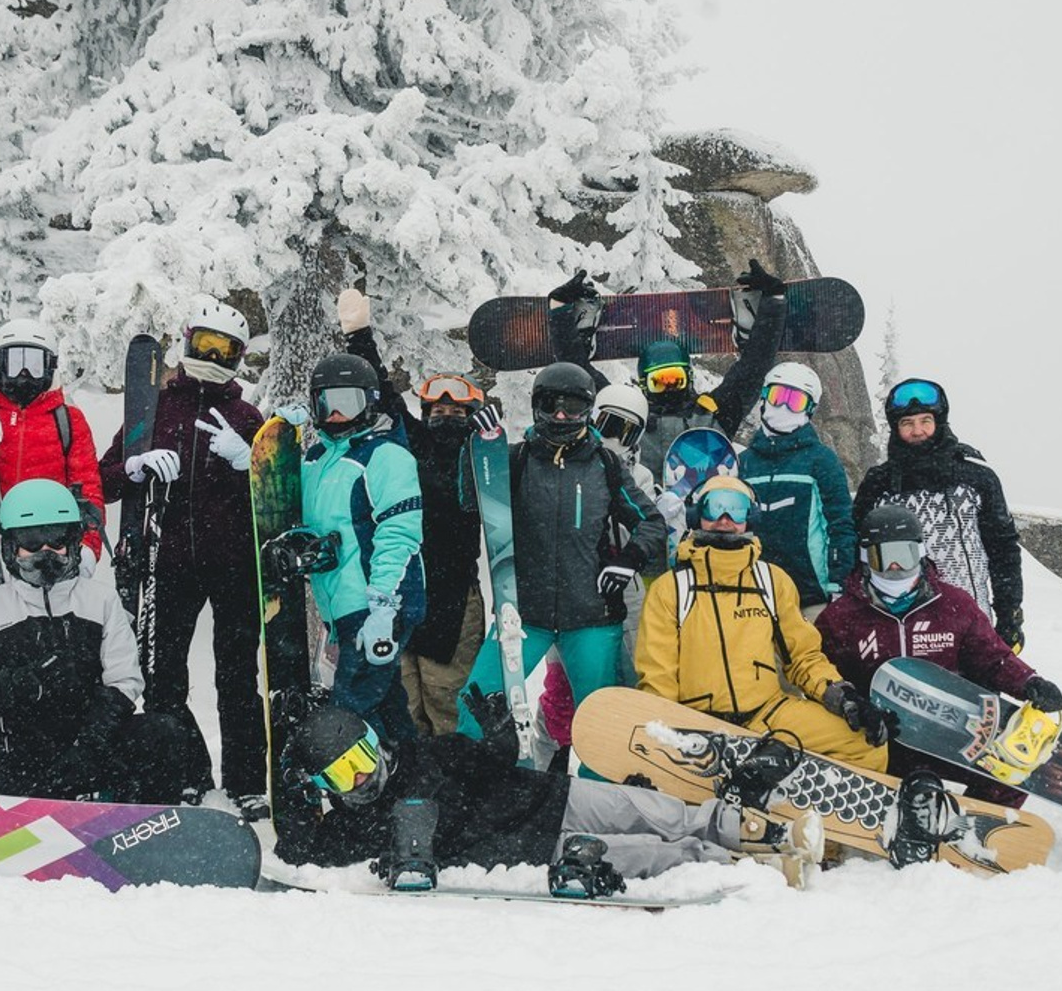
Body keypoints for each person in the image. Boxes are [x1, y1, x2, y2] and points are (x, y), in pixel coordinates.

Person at [272, 685, 821, 889]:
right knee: (647, 854)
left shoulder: (426, 753)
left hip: (547, 797)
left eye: (362, 759)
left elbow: (489, 762)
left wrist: (499, 735)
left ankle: (752, 828)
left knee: (647, 809)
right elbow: (299, 852)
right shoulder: (354, 825)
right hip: (532, 847)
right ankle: (754, 867)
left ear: (376, 742)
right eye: (344, 775)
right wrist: (289, 780)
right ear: (327, 786)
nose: (363, 777)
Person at [98, 303, 267, 818]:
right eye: (205, 346)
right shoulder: (155, 407)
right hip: (168, 563)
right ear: (187, 343)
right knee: (163, 675)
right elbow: (102, 479)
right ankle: (185, 772)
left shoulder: (245, 416)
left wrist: (247, 462)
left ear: (239, 359)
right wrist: (134, 464)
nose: (212, 359)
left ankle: (246, 782)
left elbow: (274, 496)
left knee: (236, 677)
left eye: (225, 351)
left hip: (234, 564)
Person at [454, 362, 666, 760]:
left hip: (590, 617)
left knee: (601, 724)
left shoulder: (605, 465)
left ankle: (597, 809)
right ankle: (489, 791)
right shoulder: (516, 461)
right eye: (550, 405)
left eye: (573, 407)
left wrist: (629, 560)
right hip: (524, 615)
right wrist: (475, 451)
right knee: (477, 704)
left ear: (589, 411)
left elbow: (651, 523)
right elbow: (471, 502)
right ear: (536, 408)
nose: (561, 416)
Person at [0, 479, 192, 800]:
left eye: (56, 541)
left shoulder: (101, 601)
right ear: (12, 548)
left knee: (162, 732)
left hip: (91, 745)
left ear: (74, 543)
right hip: (26, 757)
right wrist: (20, 684)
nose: (46, 554)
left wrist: (89, 746)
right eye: (31, 542)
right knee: (40, 799)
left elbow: (125, 680)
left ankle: (146, 824)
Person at [0, 317, 106, 783]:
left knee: (36, 675)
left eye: (35, 364)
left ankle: (24, 765)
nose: (24, 376)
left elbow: (88, 492)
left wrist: (85, 553)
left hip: (41, 568)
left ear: (51, 367)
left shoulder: (67, 420)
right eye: (14, 362)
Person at [635, 475, 891, 773]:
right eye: (714, 508)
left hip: (766, 715)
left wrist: (839, 694)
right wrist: (669, 732)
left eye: (737, 509)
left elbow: (803, 657)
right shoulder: (671, 589)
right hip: (698, 722)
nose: (725, 519)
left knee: (864, 741)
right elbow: (658, 676)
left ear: (751, 517)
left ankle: (804, 802)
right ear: (696, 515)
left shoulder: (772, 581)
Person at [816, 504, 1062, 804]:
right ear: (867, 559)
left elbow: (991, 656)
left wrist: (1027, 681)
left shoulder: (952, 605)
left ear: (920, 552)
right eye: (886, 558)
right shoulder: (842, 617)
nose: (896, 568)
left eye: (904, 556)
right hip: (881, 737)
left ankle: (975, 829)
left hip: (948, 733)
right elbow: (823, 675)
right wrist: (855, 706)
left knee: (1013, 769)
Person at [337, 288, 484, 739]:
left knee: (447, 701)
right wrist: (359, 337)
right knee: (403, 703)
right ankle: (412, 792)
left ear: (470, 413)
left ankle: (458, 793)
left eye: (454, 408)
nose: (444, 414)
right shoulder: (410, 445)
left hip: (456, 597)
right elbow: (383, 394)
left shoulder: (482, 459)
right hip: (403, 588)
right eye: (436, 407)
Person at [546, 259, 788, 498]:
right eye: (659, 381)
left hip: (706, 522)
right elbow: (578, 377)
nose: (669, 386)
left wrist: (773, 303)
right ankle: (583, 333)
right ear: (644, 385)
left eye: (676, 378)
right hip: (643, 523)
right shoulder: (627, 418)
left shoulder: (714, 413)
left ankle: (748, 327)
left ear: (689, 377)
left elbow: (754, 367)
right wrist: (560, 312)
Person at [289, 350, 425, 751]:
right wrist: (265, 459)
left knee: (348, 717)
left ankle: (364, 802)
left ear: (369, 402)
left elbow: (399, 534)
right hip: (342, 613)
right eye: (325, 404)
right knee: (385, 707)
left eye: (347, 403)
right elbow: (287, 506)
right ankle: (415, 782)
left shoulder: (386, 456)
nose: (336, 416)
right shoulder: (317, 460)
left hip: (376, 608)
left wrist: (384, 609)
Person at [853, 377, 1025, 647]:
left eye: (925, 421)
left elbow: (1003, 550)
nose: (917, 430)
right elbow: (857, 553)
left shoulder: (977, 478)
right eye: (907, 423)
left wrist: (1009, 615)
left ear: (939, 422)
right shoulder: (879, 484)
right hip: (901, 630)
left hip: (972, 627)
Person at [738, 361, 855, 619]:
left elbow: (841, 525)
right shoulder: (745, 462)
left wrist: (838, 584)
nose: (783, 407)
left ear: (809, 409)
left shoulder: (820, 460)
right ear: (764, 398)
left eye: (795, 401)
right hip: (754, 594)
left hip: (810, 595)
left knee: (814, 658)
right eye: (778, 396)